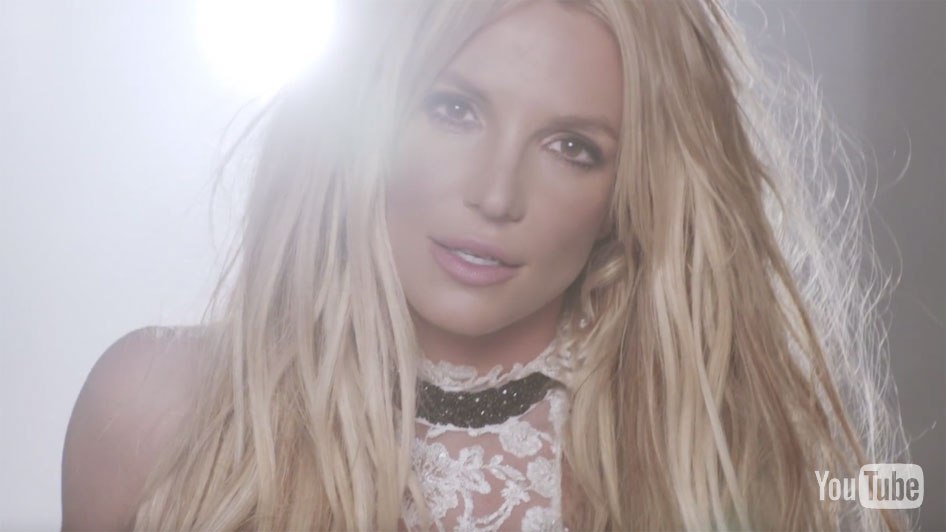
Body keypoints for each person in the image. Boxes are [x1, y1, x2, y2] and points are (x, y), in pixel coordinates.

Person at [61, 0, 912, 530]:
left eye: (572, 147)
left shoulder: (709, 456)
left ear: (629, 192)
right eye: (454, 108)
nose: (497, 195)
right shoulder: (159, 408)